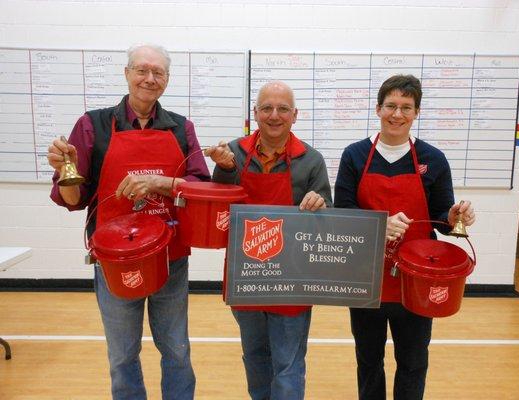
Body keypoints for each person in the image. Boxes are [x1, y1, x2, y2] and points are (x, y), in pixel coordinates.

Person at [47, 44, 210, 400]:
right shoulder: (92, 125)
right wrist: (64, 170)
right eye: (142, 70)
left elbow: (200, 187)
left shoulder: (182, 128)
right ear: (127, 73)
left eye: (158, 73)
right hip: (114, 262)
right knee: (122, 354)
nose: (149, 79)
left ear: (167, 80)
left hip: (170, 258)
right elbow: (73, 201)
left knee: (177, 350)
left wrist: (160, 183)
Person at [334, 74, 476, 400]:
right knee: (368, 360)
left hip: (418, 280)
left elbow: (442, 219)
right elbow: (343, 213)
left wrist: (455, 217)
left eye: (406, 107)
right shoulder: (355, 155)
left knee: (413, 361)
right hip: (366, 278)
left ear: (416, 113)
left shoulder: (433, 159)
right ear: (378, 108)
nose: (397, 114)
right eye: (391, 106)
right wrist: (378, 226)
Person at [205, 81, 332, 400]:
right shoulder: (233, 152)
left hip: (293, 280)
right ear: (255, 113)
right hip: (246, 276)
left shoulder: (311, 159)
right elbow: (218, 204)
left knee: (288, 364)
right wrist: (221, 170)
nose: (274, 115)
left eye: (283, 109)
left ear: (295, 115)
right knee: (256, 358)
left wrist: (319, 204)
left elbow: (328, 215)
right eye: (267, 108)